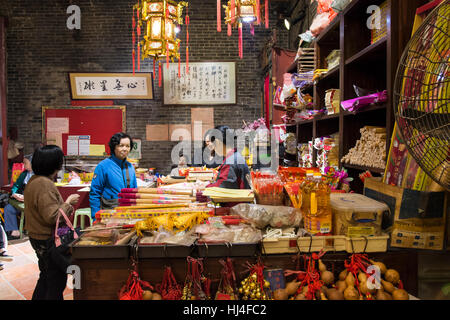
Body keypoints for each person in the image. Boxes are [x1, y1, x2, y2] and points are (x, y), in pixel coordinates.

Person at [24, 145, 80, 300]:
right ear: (54, 164)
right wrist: (68, 202)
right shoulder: (44, 184)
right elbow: (52, 216)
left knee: (46, 276)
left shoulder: (35, 180)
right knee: (56, 280)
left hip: (37, 237)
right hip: (47, 239)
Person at [89, 132, 137, 219]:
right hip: (109, 212)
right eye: (121, 145)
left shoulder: (130, 167)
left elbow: (134, 191)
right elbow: (95, 193)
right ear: (114, 147)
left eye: (128, 146)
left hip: (128, 212)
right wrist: (95, 217)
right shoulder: (103, 166)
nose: (125, 149)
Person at [206, 125, 251, 189]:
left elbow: (222, 188)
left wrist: (205, 188)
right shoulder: (235, 155)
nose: (213, 149)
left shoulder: (230, 162)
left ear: (217, 142)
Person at [3, 154, 33, 240]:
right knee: (9, 208)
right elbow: (16, 185)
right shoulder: (24, 174)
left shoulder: (39, 175)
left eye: (25, 163)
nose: (24, 165)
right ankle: (14, 232)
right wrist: (14, 193)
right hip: (21, 200)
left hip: (32, 201)